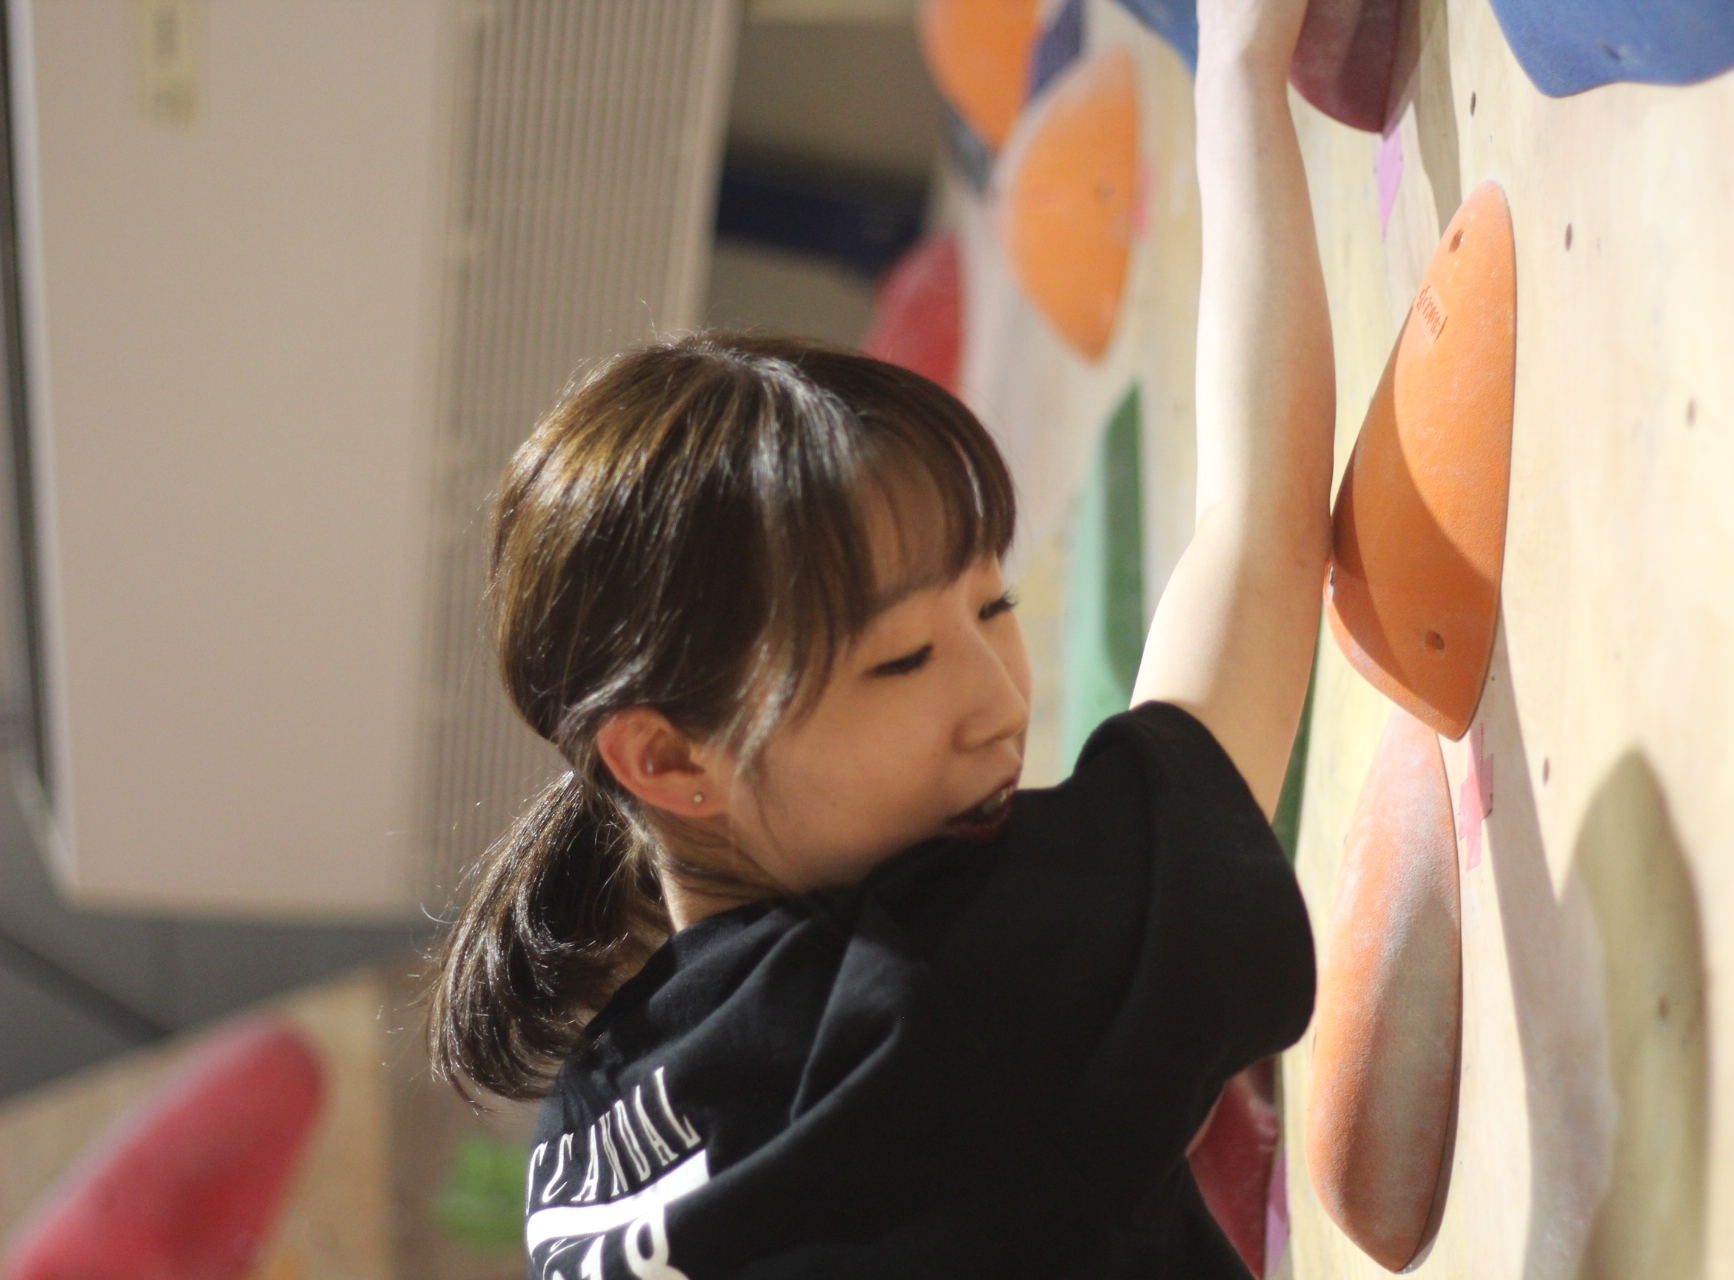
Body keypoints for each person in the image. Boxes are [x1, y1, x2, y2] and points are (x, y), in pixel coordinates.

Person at [426, 0, 1333, 1274]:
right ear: (668, 758)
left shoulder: (582, 1145)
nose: (998, 698)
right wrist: (1239, 72)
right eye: (903, 659)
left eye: (993, 606)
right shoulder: (941, 1001)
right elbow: (1261, 547)